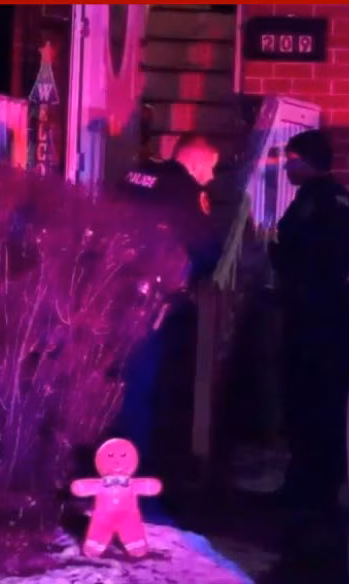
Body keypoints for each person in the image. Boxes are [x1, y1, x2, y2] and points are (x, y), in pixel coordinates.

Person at [114, 134, 224, 471]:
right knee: (144, 380)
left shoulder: (134, 176)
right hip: (154, 300)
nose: (212, 177)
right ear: (196, 161)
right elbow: (207, 250)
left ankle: (110, 450)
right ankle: (137, 461)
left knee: (117, 376)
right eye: (211, 167)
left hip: (113, 291)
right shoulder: (187, 192)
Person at [269, 129, 349, 515]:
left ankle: (307, 492)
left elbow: (300, 253)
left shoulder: (314, 200)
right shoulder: (344, 198)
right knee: (326, 401)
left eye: (292, 160)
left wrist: (274, 254)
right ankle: (318, 484)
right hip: (335, 312)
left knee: (305, 399)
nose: (287, 168)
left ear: (309, 162)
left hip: (311, 312)